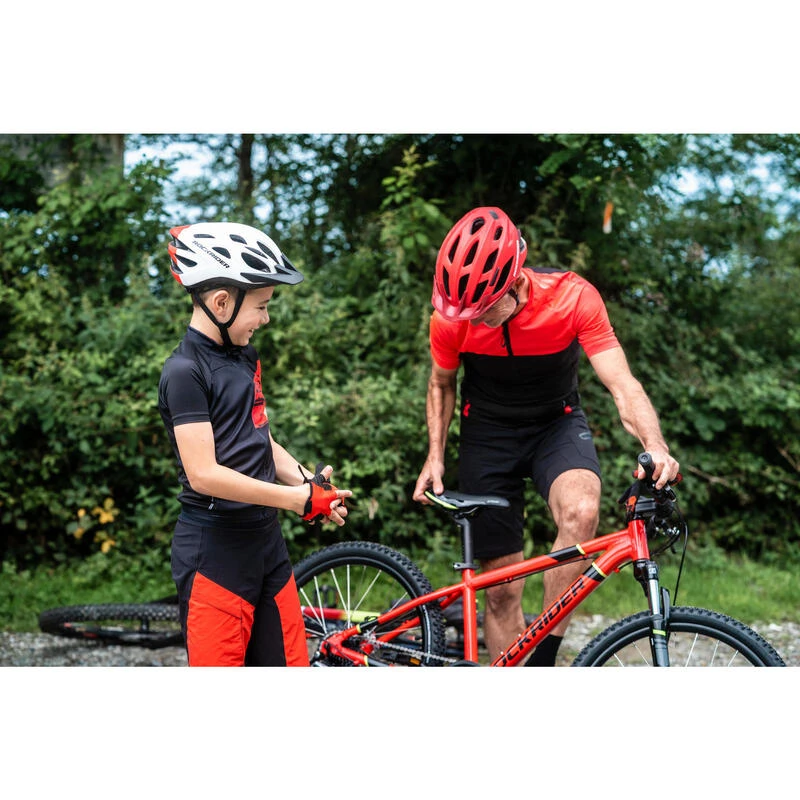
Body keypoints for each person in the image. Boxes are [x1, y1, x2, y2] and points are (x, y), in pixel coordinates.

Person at [412, 206, 679, 666]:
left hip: (556, 424)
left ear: (515, 283)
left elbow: (622, 385)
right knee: (501, 592)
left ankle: (543, 659)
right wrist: (435, 455)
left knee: (582, 510)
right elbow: (441, 384)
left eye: (482, 310)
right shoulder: (451, 318)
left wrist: (656, 447)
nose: (470, 320)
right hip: (487, 435)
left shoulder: (573, 298)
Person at [158, 221, 351, 666]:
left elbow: (260, 438)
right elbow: (204, 475)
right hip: (215, 555)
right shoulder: (184, 372)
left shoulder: (244, 356)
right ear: (221, 303)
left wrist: (308, 484)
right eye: (261, 306)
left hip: (267, 548)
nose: (265, 318)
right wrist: (293, 499)